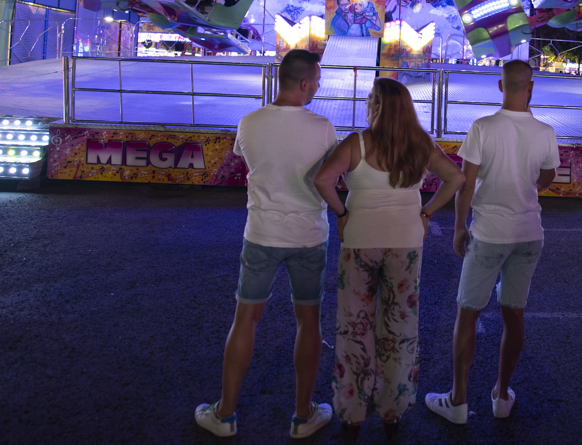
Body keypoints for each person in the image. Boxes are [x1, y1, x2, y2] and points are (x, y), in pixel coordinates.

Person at [195, 49, 337, 439]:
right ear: (305, 83)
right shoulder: (323, 127)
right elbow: (331, 175)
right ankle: (303, 416)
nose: (318, 87)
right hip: (308, 235)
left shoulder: (249, 122)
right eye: (317, 81)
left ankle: (224, 414)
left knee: (245, 319)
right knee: (308, 321)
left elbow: (249, 160)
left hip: (261, 233)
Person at [312, 78, 465, 441]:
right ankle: (392, 410)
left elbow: (322, 180)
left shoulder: (357, 143)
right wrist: (426, 213)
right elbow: (456, 178)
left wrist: (341, 213)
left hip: (359, 241)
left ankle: (352, 413)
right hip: (406, 242)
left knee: (355, 327)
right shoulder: (421, 144)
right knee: (400, 327)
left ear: (376, 106)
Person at [425, 60, 560, 423]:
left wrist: (459, 227)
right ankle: (501, 395)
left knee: (468, 313)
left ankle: (458, 400)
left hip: (488, 234)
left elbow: (466, 184)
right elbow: (547, 178)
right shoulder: (545, 131)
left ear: (500, 86)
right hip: (529, 234)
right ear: (531, 87)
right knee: (514, 314)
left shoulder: (482, 127)